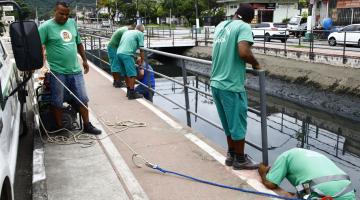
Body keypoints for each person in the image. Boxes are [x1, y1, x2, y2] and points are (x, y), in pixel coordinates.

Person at [39, 1, 101, 135]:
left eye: (67, 14)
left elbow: (78, 43)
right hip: (57, 71)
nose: (65, 17)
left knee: (83, 98)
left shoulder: (72, 23)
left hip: (75, 70)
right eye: (61, 14)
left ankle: (87, 125)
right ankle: (60, 127)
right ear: (55, 11)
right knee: (57, 100)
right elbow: (39, 46)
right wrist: (39, 64)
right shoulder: (45, 27)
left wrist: (84, 60)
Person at [210, 4, 260, 170]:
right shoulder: (244, 26)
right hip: (231, 85)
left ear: (236, 14)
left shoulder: (221, 26)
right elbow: (244, 52)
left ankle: (231, 154)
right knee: (237, 124)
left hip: (216, 83)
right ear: (249, 19)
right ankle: (240, 159)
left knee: (228, 124)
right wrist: (256, 63)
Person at [258, 148, 356, 200]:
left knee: (304, 190)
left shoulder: (285, 156)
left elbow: (270, 184)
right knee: (302, 190)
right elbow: (310, 180)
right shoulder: (314, 155)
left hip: (321, 189)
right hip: (347, 189)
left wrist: (262, 171)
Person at [116, 24, 145, 100]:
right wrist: (142, 62)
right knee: (132, 74)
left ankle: (129, 91)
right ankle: (132, 93)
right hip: (127, 54)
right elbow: (141, 49)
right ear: (142, 30)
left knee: (126, 73)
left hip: (119, 53)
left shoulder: (127, 32)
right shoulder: (140, 34)